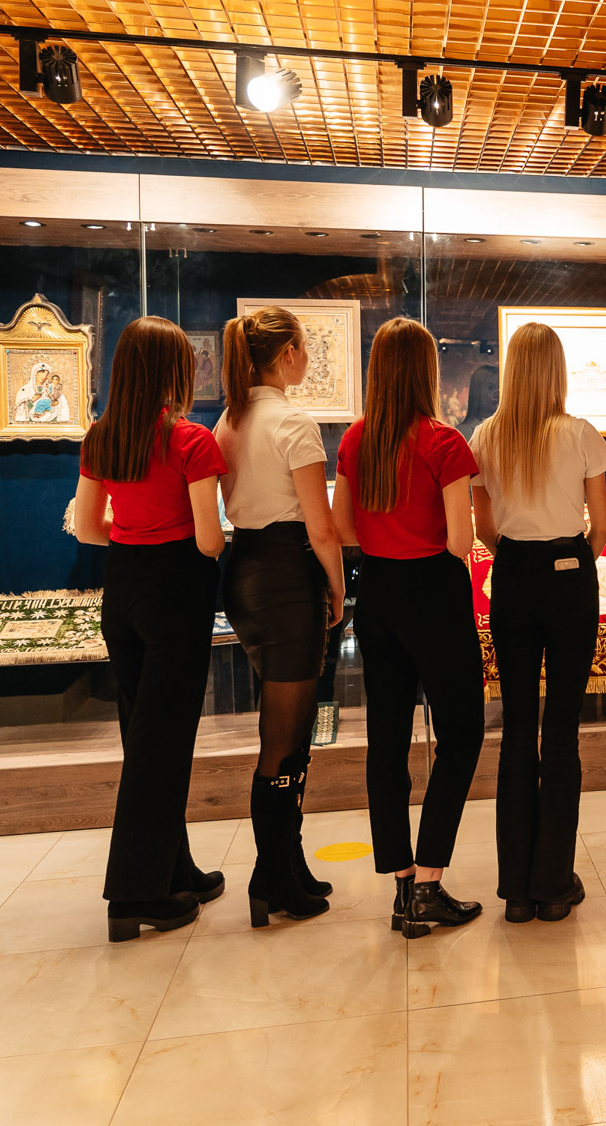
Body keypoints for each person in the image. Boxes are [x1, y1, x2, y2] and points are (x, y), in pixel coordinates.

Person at [72, 317, 228, 942]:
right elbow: (209, 539)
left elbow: (88, 528)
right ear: (175, 371)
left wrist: (135, 533)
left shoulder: (101, 436)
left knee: (145, 735)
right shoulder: (190, 440)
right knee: (163, 743)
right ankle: (134, 894)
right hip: (175, 590)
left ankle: (172, 868)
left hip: (123, 586)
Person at [332, 317, 486, 937]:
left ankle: (400, 881)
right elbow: (460, 540)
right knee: (462, 733)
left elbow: (344, 528)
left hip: (379, 592)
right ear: (427, 371)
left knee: (387, 739)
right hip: (434, 590)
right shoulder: (444, 442)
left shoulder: (356, 439)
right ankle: (428, 881)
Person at [471, 322, 606, 923]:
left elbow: (484, 528)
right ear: (557, 371)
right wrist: (572, 564)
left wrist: (519, 560)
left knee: (517, 728)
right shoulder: (579, 433)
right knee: (561, 729)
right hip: (568, 573)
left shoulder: (486, 435)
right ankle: (554, 883)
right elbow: (602, 525)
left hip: (513, 575)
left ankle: (516, 891)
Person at [214, 306, 347, 928]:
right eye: (304, 348)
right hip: (288, 577)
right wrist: (338, 588)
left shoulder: (230, 418)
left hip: (245, 569)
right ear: (288, 354)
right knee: (284, 738)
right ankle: (270, 878)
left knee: (288, 734)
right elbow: (321, 527)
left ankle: (287, 862)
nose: (307, 358)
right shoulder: (293, 421)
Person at [457, 362, 499, 441]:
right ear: (478, 391)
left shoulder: (501, 429)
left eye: (499, 387)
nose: (497, 394)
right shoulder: (466, 431)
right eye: (490, 388)